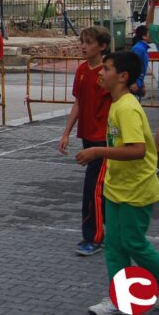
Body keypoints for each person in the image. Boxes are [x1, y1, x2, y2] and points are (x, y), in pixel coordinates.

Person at [80, 52, 159, 315]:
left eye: (107, 69)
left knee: (133, 244)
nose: (100, 72)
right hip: (116, 189)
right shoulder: (116, 103)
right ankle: (121, 299)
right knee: (114, 247)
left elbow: (138, 150)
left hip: (136, 190)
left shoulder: (126, 107)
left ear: (123, 77)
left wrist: (98, 152)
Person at [58, 25, 112, 257]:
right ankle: (110, 231)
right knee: (103, 189)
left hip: (104, 140)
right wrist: (66, 132)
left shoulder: (109, 73)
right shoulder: (81, 70)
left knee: (93, 189)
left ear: (102, 46)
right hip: (88, 136)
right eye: (82, 42)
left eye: (89, 42)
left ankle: (93, 237)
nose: (83, 46)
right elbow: (79, 103)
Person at [129, 24, 150, 99]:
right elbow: (133, 67)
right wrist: (135, 82)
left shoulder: (142, 48)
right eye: (149, 33)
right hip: (133, 85)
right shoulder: (139, 49)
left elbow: (141, 67)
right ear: (144, 36)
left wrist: (142, 83)